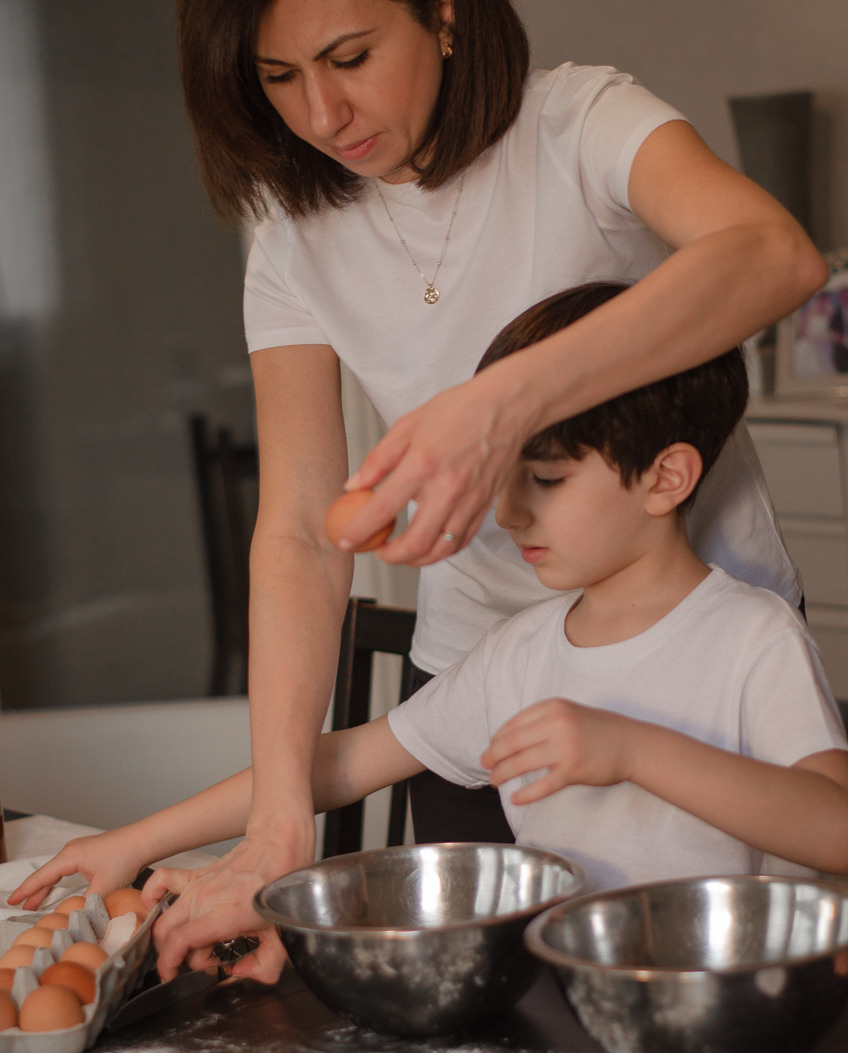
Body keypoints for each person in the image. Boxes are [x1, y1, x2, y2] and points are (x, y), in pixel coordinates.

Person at [89, 0, 829, 979]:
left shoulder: (578, 124)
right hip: (488, 675)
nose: (321, 113)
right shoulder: (294, 233)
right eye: (278, 75)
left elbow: (770, 254)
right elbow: (296, 529)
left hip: (688, 638)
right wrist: (279, 825)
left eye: (349, 59)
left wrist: (498, 406)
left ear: (439, 8)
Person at [14, 283, 848, 914]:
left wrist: (633, 750)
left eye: (547, 480)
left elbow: (835, 830)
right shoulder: (522, 652)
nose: (510, 512)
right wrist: (132, 839)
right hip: (571, 1006)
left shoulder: (750, 637)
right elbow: (339, 763)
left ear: (666, 477)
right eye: (501, 477)